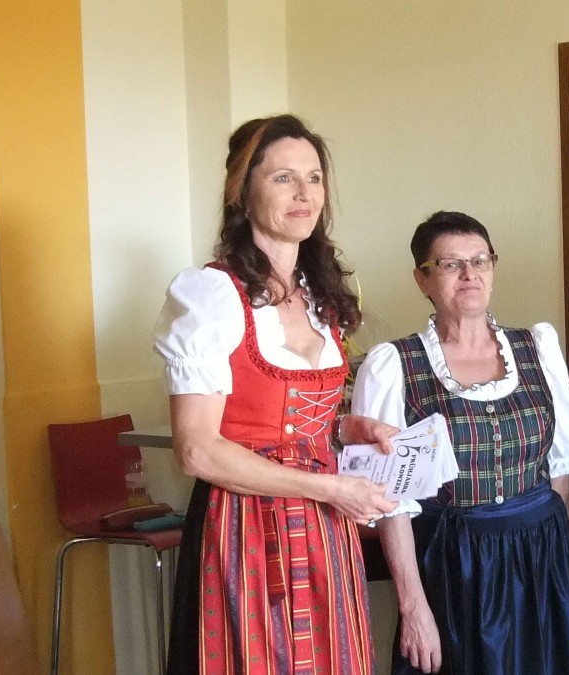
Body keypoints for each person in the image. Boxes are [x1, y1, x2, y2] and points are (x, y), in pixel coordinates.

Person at [154, 114, 399, 674]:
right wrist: (328, 487)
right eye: (283, 178)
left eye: (314, 178)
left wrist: (351, 429)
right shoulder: (213, 295)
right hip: (244, 527)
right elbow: (197, 449)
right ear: (242, 193)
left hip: (324, 530)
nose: (304, 194)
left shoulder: (319, 296)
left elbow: (294, 424)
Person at [351, 211, 569, 675]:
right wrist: (413, 608)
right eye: (451, 264)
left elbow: (561, 460)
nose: (470, 274)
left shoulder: (537, 348)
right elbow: (389, 501)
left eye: (481, 260)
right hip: (454, 567)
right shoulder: (394, 366)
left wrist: (547, 536)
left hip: (541, 560)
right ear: (422, 279)